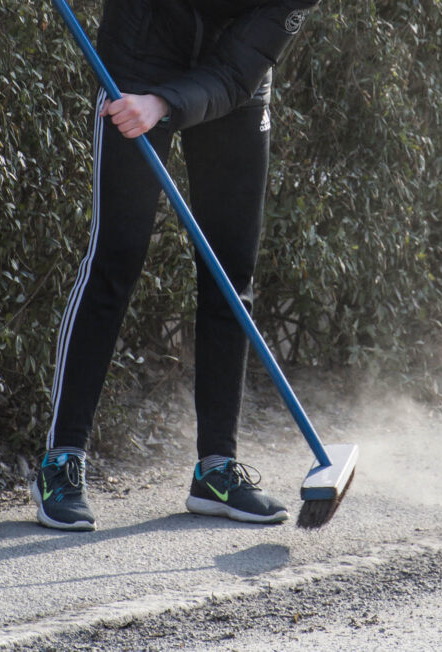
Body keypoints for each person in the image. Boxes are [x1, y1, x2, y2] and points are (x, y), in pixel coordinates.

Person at [31, 0, 319, 531]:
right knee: (115, 258)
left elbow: (237, 70)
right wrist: (148, 93)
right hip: (139, 57)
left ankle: (216, 470)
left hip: (233, 85)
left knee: (229, 273)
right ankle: (62, 461)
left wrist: (163, 104)